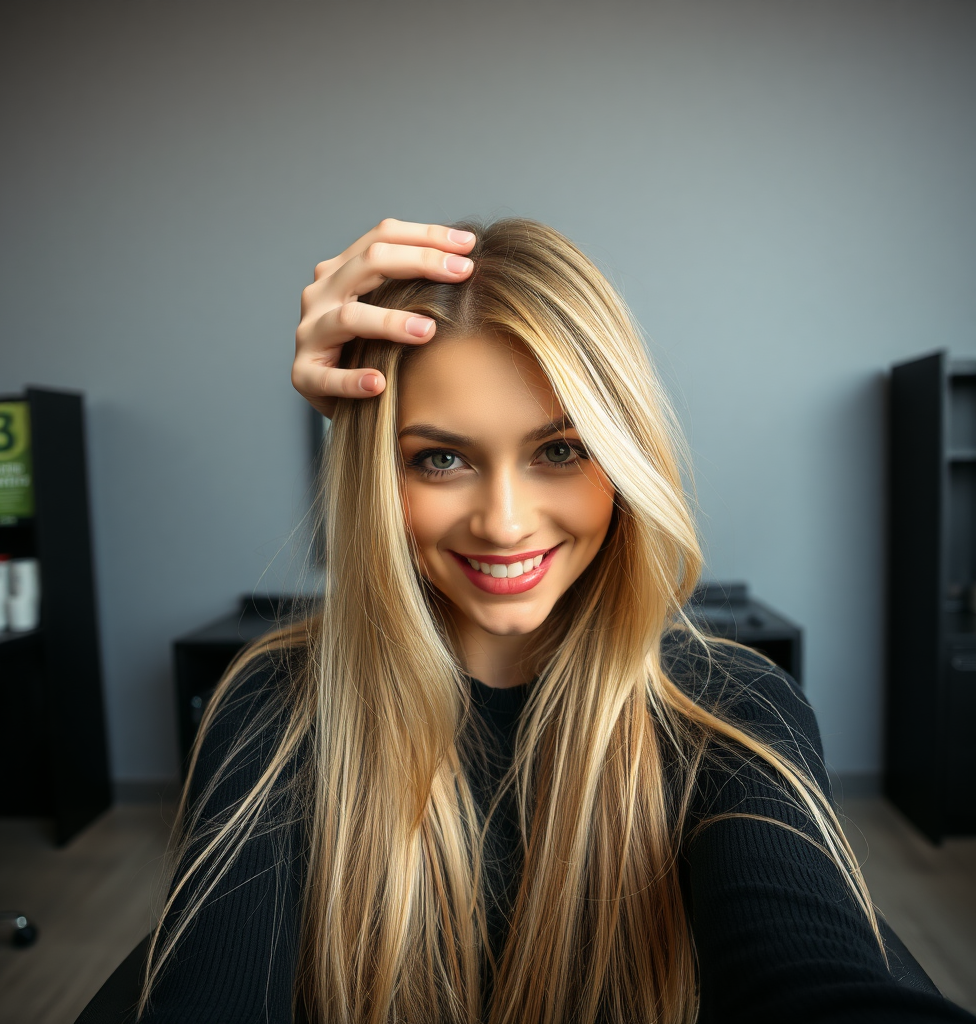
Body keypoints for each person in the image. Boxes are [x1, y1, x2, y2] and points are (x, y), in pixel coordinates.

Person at [137, 219, 976, 1023]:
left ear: (623, 460)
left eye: (560, 451)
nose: (504, 523)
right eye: (441, 458)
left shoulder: (728, 710)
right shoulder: (279, 711)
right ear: (376, 478)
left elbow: (818, 979)